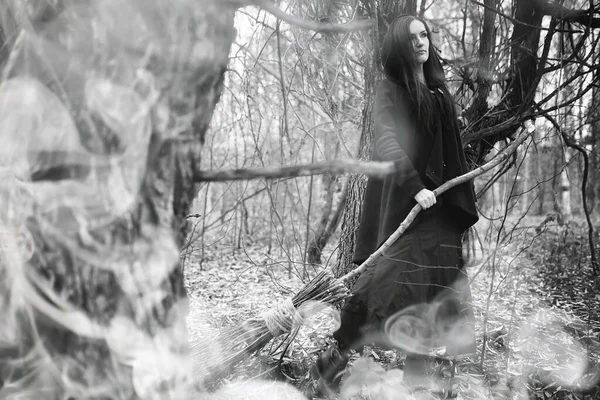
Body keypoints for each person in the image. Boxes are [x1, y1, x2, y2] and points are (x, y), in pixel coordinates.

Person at [311, 15, 479, 394]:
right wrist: (416, 186)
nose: (421, 42)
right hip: (408, 204)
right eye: (412, 37)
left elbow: (451, 151)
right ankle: (332, 358)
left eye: (425, 35)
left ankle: (418, 383)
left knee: (433, 292)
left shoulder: (439, 91)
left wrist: (453, 199)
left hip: (443, 212)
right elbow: (386, 142)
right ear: (400, 46)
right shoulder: (390, 89)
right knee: (380, 283)